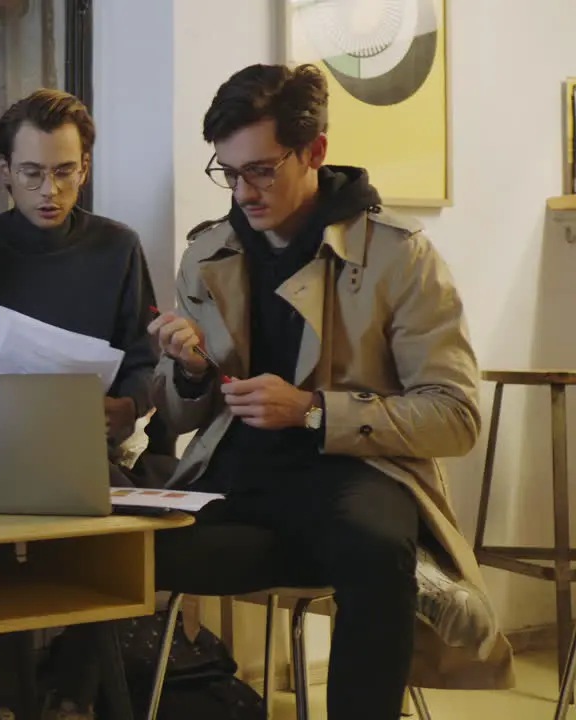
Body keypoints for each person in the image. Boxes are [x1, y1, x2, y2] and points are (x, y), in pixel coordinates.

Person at [147, 63, 513, 719]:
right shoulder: (207, 254)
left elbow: (456, 417)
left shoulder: (401, 257)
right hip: (235, 476)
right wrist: (188, 372)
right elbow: (178, 418)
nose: (243, 192)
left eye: (261, 170)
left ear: (314, 151)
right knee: (114, 546)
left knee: (373, 549)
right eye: (227, 173)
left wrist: (313, 411)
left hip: (356, 474)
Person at [0, 88, 171, 720]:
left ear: (84, 170)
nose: (50, 191)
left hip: (88, 446)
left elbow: (144, 356)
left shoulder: (117, 247)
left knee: (128, 532)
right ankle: (7, 702)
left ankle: (74, 691)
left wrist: (128, 404)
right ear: (6, 173)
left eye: (65, 173)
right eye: (34, 174)